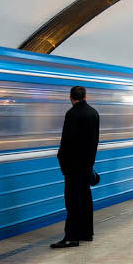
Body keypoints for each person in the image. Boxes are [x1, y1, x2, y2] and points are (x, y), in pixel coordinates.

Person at [50, 85, 100, 248]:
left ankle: (71, 237)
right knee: (85, 198)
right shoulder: (94, 113)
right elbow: (95, 141)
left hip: (73, 166)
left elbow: (67, 142)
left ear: (71, 98)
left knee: (72, 201)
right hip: (87, 165)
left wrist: (61, 159)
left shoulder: (72, 114)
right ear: (85, 96)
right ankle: (87, 233)